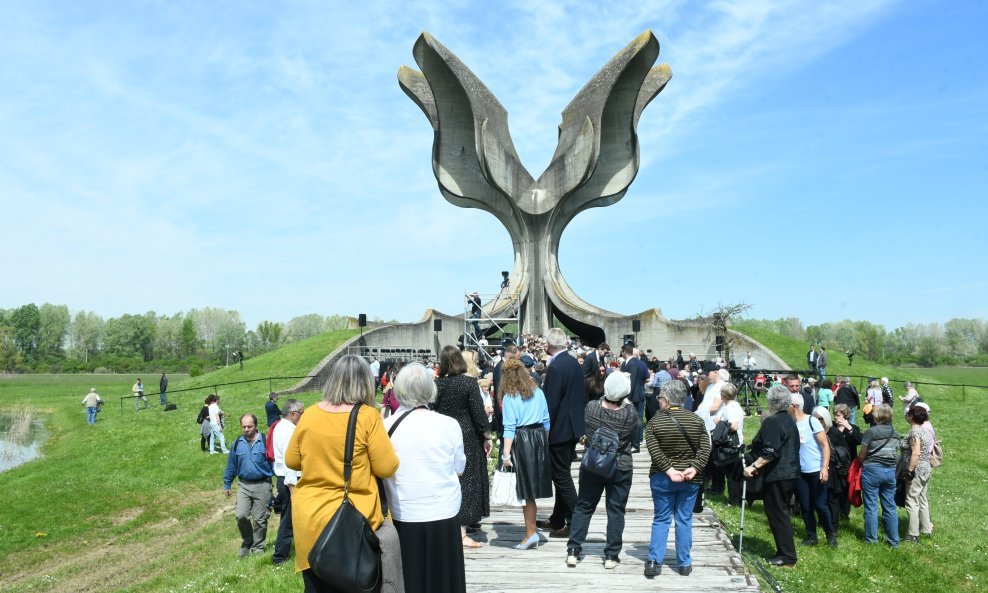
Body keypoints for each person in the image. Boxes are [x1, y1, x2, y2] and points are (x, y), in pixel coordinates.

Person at [285, 354, 402, 593]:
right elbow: (386, 467)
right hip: (351, 524)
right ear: (365, 383)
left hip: (310, 519)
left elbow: (292, 461)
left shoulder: (309, 415)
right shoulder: (367, 416)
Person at [384, 363, 467, 593]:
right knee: (445, 581)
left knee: (411, 579)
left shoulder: (387, 427)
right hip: (444, 511)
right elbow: (459, 467)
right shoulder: (449, 424)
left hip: (405, 512)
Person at [566, 370, 640, 569]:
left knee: (584, 506)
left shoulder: (591, 408)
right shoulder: (629, 413)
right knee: (615, 510)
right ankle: (611, 555)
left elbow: (592, 423)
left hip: (592, 464)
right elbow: (633, 433)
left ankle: (574, 549)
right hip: (619, 465)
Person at [643, 379, 710, 578]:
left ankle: (654, 561)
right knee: (684, 519)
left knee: (662, 518)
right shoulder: (696, 420)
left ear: (666, 400)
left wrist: (669, 469)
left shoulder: (655, 422)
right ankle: (684, 562)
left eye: (660, 398)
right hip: (690, 478)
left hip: (662, 477)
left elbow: (653, 449)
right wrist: (694, 467)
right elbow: (705, 448)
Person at [433, 345, 492, 548]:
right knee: (467, 480)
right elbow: (478, 413)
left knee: (443, 478)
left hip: (441, 435)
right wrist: (487, 436)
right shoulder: (468, 383)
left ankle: (445, 524)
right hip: (466, 435)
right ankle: (461, 532)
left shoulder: (436, 385)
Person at [537, 328, 587, 538]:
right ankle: (558, 518)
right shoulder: (573, 361)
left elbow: (551, 404)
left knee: (561, 477)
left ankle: (576, 522)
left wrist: (544, 430)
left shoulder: (556, 367)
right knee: (561, 475)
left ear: (548, 345)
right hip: (572, 426)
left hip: (559, 429)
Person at [743, 385, 801, 567]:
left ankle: (787, 556)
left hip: (778, 474)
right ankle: (783, 551)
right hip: (789, 472)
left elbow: (770, 451)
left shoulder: (773, 422)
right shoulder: (789, 420)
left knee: (778, 514)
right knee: (780, 512)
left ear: (772, 402)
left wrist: (752, 466)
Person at [500, 358, 552, 550]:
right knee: (529, 491)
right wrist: (544, 444)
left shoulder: (509, 397)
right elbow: (547, 421)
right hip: (539, 437)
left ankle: (530, 533)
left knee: (526, 491)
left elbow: (509, 428)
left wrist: (506, 455)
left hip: (523, 439)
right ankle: (531, 532)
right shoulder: (538, 391)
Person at [223, 413, 274, 557]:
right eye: (244, 426)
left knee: (260, 519)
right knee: (241, 516)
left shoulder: (265, 441)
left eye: (249, 426)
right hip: (244, 486)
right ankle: (248, 541)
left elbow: (274, 463)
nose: (246, 429)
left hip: (262, 485)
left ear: (256, 425)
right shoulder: (237, 443)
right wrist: (227, 483)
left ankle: (258, 548)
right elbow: (231, 465)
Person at [789, 393, 836, 547]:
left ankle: (830, 534)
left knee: (820, 504)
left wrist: (825, 468)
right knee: (805, 505)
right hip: (800, 472)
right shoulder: (791, 423)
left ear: (794, 406)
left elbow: (825, 446)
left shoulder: (811, 421)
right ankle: (811, 536)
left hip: (816, 470)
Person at [856, 403, 900, 547]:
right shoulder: (895, 433)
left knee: (871, 506)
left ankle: (871, 540)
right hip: (890, 471)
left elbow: (862, 454)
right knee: (890, 506)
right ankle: (894, 541)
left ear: (877, 416)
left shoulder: (871, 432)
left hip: (872, 470)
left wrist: (861, 463)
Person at [271, 399, 304, 566]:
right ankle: (280, 556)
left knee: (291, 517)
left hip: (285, 479)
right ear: (292, 414)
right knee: (289, 519)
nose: (303, 416)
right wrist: (292, 487)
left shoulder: (281, 426)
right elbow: (288, 460)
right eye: (301, 413)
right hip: (289, 480)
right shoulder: (288, 430)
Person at [902, 405, 933, 542]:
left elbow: (915, 453)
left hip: (917, 470)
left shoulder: (915, 433)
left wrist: (909, 471)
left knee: (911, 501)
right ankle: (926, 528)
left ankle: (913, 534)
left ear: (911, 417)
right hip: (926, 469)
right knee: (922, 498)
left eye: (908, 413)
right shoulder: (924, 430)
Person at [828, 403, 861, 524]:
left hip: (849, 464)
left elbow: (860, 440)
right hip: (833, 463)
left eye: (839, 415)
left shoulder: (852, 428)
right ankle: (833, 511)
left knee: (846, 488)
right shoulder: (831, 427)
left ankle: (844, 512)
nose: (837, 418)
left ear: (846, 416)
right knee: (835, 488)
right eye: (835, 415)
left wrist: (848, 427)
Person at [714, 383, 745, 505]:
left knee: (731, 474)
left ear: (723, 395)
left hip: (731, 444)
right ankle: (736, 498)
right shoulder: (736, 405)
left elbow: (734, 425)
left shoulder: (728, 408)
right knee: (735, 472)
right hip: (738, 442)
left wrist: (719, 423)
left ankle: (734, 500)